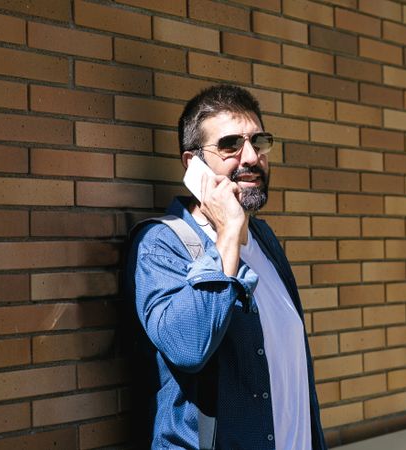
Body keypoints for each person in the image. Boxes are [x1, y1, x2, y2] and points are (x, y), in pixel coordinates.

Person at [126, 84, 327, 449]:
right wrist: (228, 233)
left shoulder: (264, 239)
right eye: (230, 145)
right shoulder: (159, 246)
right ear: (193, 165)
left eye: (258, 142)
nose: (250, 156)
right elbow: (188, 346)